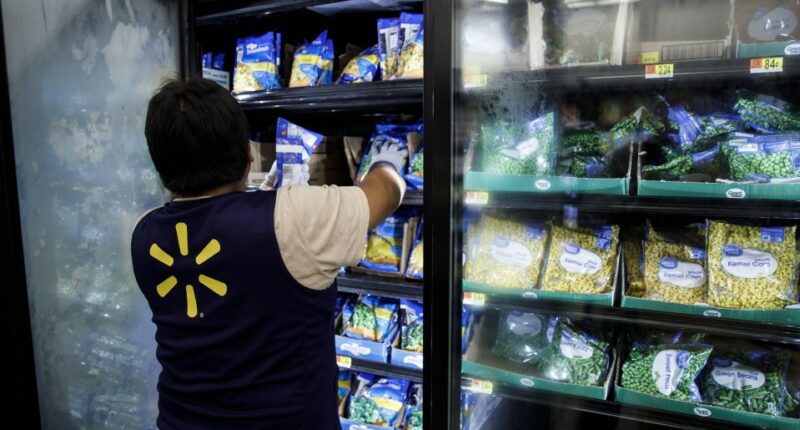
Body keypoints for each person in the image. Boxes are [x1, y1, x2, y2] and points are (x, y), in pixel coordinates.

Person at [131, 77, 406, 429]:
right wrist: (386, 160)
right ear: (248, 156)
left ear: (160, 166)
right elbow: (386, 193)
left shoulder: (144, 235)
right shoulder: (292, 217)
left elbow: (224, 258)